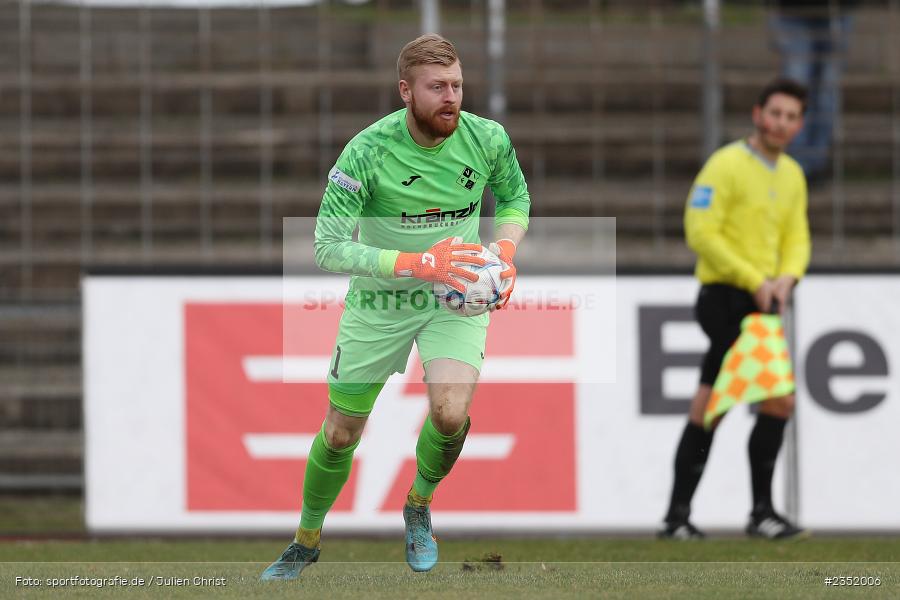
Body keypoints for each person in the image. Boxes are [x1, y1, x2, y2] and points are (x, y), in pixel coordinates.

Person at [260, 34, 530, 580]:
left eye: (456, 84)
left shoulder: (488, 138)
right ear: (406, 91)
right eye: (437, 88)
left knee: (451, 413)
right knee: (341, 432)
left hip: (452, 298)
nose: (450, 96)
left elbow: (516, 197)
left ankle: (418, 506)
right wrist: (412, 262)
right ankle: (306, 540)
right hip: (380, 300)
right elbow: (327, 247)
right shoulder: (366, 151)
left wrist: (501, 252)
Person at [659, 78, 811, 540]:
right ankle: (742, 514)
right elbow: (700, 231)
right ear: (757, 114)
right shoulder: (725, 165)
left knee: (733, 404)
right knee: (749, 401)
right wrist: (755, 280)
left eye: (791, 116)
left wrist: (788, 275)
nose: (782, 123)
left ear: (799, 125)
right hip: (726, 298)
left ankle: (690, 517)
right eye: (776, 113)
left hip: (764, 302)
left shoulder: (792, 175)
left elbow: (797, 237)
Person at [770, 0, 856, 182]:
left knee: (827, 90)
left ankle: (816, 163)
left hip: (836, 11)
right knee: (796, 82)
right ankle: (796, 162)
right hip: (792, 11)